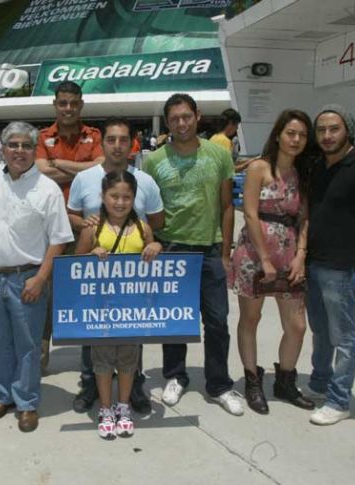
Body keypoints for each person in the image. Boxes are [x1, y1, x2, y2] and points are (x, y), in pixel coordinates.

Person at [142, 93, 243, 416]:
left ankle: (219, 384)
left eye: (186, 116)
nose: (181, 123)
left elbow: (228, 206)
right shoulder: (155, 160)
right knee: (174, 321)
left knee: (216, 321)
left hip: (210, 249)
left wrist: (225, 252)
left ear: (197, 116)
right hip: (170, 249)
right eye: (174, 119)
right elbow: (146, 209)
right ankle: (175, 375)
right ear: (167, 122)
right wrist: (153, 241)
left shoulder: (218, 154)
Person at [0, 121, 74, 432]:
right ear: (2, 148)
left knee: (29, 345)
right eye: (13, 145)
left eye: (26, 146)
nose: (19, 151)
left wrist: (41, 278)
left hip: (27, 278)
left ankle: (27, 402)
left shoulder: (47, 190)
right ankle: (3, 396)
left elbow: (59, 238)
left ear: (35, 150)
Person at [66, 117, 165, 414]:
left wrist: (152, 242)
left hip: (133, 288)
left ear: (133, 143)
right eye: (111, 139)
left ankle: (133, 386)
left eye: (124, 139)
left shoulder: (145, 180)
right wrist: (87, 224)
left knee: (133, 341)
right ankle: (91, 386)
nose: (118, 145)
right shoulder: (85, 179)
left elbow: (157, 220)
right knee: (93, 339)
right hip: (97, 287)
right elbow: (70, 215)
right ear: (102, 142)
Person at [228, 109, 317, 414]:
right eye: (291, 133)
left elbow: (305, 217)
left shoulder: (302, 173)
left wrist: (301, 255)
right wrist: (265, 259)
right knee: (250, 319)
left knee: (297, 325)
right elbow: (250, 212)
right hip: (254, 255)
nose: (296, 140)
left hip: (290, 254)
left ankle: (285, 381)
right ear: (278, 134)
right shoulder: (259, 168)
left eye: (303, 135)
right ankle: (252, 380)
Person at [304, 104, 355, 425]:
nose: (326, 135)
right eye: (321, 129)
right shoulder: (319, 166)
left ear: (346, 131)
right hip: (314, 264)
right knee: (321, 332)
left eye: (333, 129)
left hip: (343, 269)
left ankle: (339, 400)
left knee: (344, 337)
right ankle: (320, 383)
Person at [75, 170, 162, 439]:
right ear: (103, 196)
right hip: (100, 310)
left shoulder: (142, 228)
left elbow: (154, 254)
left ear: (134, 198)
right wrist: (91, 253)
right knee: (101, 362)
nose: (120, 202)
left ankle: (123, 406)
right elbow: (74, 263)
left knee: (127, 361)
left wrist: (156, 246)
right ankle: (105, 407)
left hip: (132, 311)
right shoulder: (92, 228)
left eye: (127, 197)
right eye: (114, 196)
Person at [35, 80, 105, 373]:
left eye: (73, 103)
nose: (67, 108)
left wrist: (59, 163)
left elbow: (101, 166)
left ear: (81, 105)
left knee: (89, 289)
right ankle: (41, 352)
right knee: (46, 290)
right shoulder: (42, 136)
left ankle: (92, 359)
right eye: (62, 103)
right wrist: (81, 170)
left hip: (86, 226)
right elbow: (42, 174)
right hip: (51, 227)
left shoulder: (94, 135)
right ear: (55, 105)